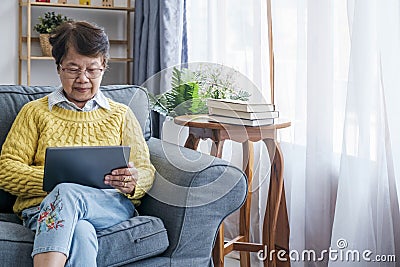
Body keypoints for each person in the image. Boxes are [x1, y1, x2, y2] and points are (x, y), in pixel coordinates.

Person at [0, 20, 155, 266]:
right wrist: (55, 180)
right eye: (73, 69)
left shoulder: (121, 115)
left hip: (107, 206)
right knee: (81, 230)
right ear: (58, 67)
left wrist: (132, 181)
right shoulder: (34, 113)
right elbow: (6, 171)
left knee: (66, 192)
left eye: (92, 69)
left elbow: (146, 169)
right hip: (42, 210)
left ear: (103, 66)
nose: (83, 79)